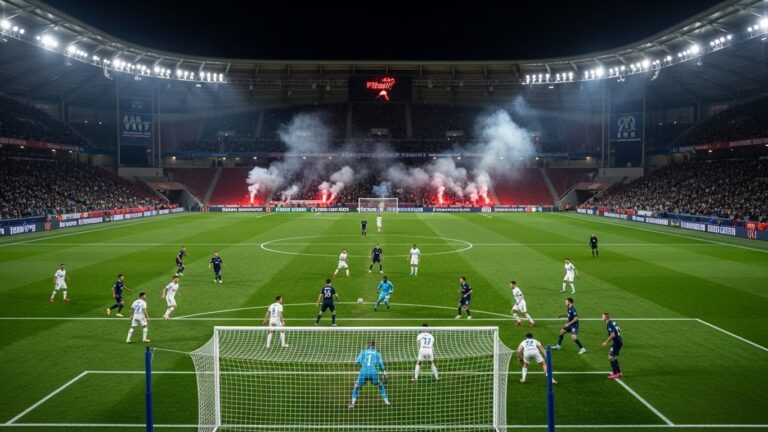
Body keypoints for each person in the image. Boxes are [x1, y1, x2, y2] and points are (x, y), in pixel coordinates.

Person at [348, 340, 390, 409]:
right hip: (373, 372)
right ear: (375, 346)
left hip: (363, 372)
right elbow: (381, 364)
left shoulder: (363, 351)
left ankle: (352, 403)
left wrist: (363, 364)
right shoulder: (377, 353)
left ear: (368, 346)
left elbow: (357, 361)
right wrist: (384, 372)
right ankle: (386, 401)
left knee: (356, 386)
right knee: (380, 384)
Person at [601, 313, 623, 379]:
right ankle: (619, 372)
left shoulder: (608, 324)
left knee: (610, 357)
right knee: (614, 357)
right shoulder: (613, 322)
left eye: (602, 317)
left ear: (606, 318)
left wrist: (606, 342)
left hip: (616, 342)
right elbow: (619, 329)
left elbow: (612, 335)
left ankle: (615, 373)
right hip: (620, 341)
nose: (601, 318)